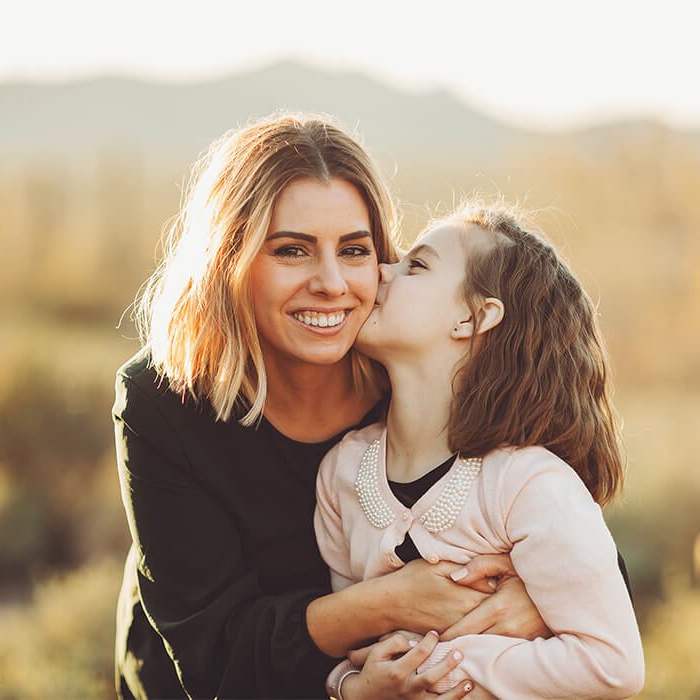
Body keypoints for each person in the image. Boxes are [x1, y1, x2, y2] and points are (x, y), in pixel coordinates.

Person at [115, 114, 549, 699]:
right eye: (291, 250)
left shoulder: (421, 370)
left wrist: (537, 593)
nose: (331, 283)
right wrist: (386, 602)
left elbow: (575, 526)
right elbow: (215, 655)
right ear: (229, 262)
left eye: (354, 250)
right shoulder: (163, 401)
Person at [316, 202, 643, 699]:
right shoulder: (341, 472)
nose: (381, 269)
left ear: (473, 318)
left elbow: (612, 667)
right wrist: (355, 688)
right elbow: (349, 655)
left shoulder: (528, 483)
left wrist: (445, 660)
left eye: (416, 265)